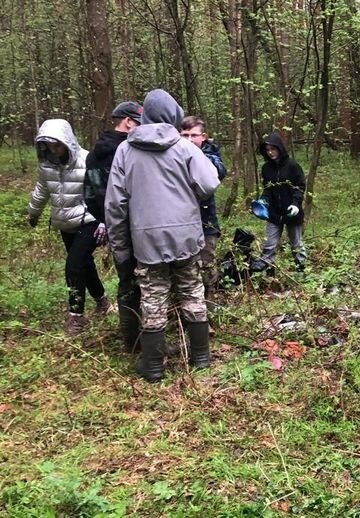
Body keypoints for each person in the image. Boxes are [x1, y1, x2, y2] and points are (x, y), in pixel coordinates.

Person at [105, 89, 220, 382]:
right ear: (173, 116)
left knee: (153, 298)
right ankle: (201, 358)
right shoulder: (184, 148)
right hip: (187, 236)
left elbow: (115, 206)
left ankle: (154, 366)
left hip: (147, 241)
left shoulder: (125, 150)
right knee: (192, 290)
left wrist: (121, 250)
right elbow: (209, 183)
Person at [28, 119, 109, 335]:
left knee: (73, 266)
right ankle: (102, 301)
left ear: (67, 141)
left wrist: (104, 221)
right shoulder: (46, 164)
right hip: (65, 223)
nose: (53, 150)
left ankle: (76, 317)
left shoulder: (86, 160)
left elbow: (102, 191)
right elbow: (42, 190)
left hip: (89, 221)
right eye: (48, 146)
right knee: (85, 264)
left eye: (57, 144)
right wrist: (33, 213)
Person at [85, 101, 142, 350]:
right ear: (128, 122)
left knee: (127, 281)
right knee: (148, 280)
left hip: (114, 227)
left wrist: (107, 222)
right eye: (140, 122)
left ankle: (131, 340)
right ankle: (147, 339)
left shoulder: (95, 153)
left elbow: (90, 194)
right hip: (138, 225)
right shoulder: (130, 151)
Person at [180, 116, 228, 295]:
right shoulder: (175, 154)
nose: (189, 140)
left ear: (204, 136)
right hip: (182, 222)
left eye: (194, 135)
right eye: (185, 135)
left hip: (206, 223)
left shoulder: (210, 154)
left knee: (207, 265)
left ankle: (210, 304)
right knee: (186, 270)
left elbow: (218, 171)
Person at [249, 132, 307, 273]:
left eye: (273, 149)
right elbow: (268, 189)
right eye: (267, 150)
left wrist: (295, 204)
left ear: (280, 148)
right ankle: (267, 272)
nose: (270, 153)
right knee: (270, 244)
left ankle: (302, 271)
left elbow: (300, 187)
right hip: (274, 213)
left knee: (296, 245)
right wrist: (263, 201)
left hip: (292, 212)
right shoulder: (266, 168)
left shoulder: (292, 166)